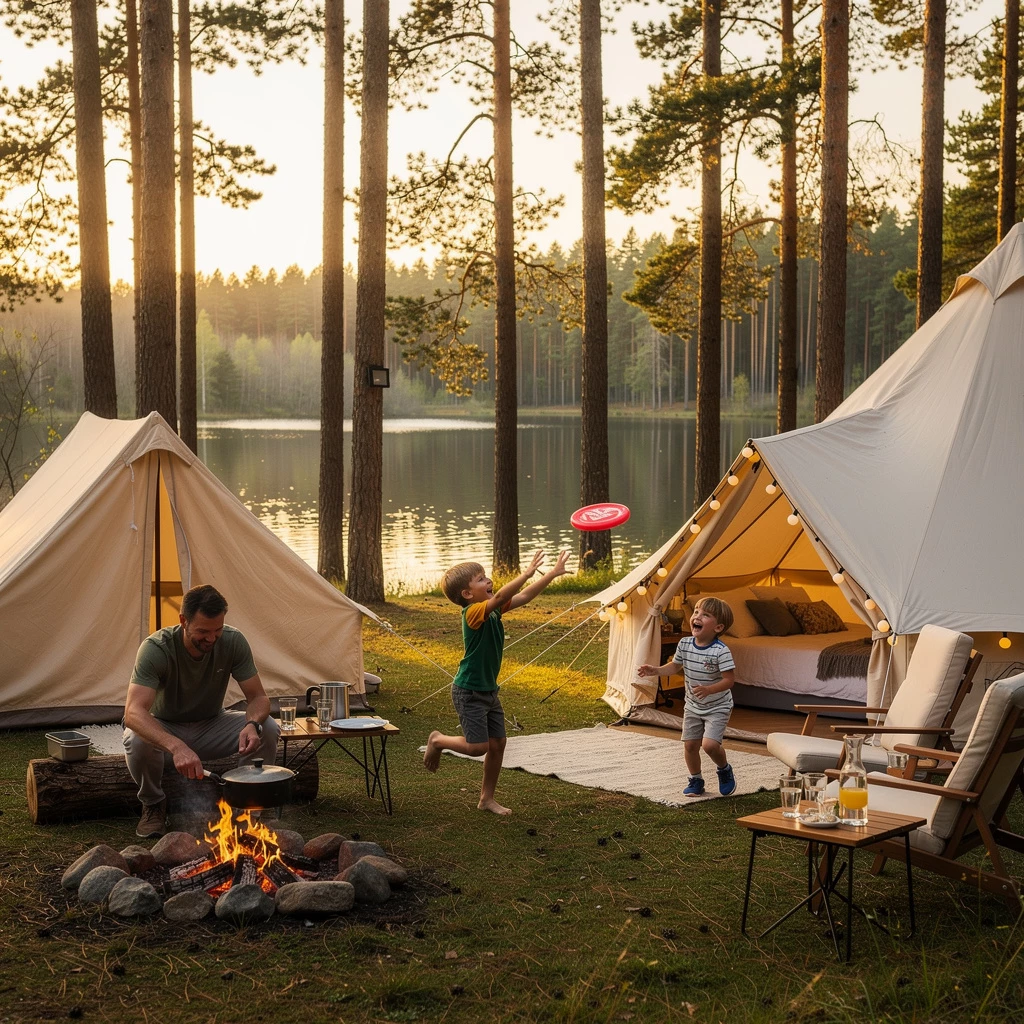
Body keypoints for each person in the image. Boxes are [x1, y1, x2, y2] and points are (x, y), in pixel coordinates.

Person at [123, 584, 280, 838]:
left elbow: (259, 697)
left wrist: (252, 724)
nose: (211, 638)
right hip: (166, 727)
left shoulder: (233, 641)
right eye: (203, 631)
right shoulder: (156, 649)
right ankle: (153, 804)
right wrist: (176, 747)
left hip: (212, 724)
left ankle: (247, 807)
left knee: (268, 727)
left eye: (217, 630)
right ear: (183, 621)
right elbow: (133, 713)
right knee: (136, 739)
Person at [423, 549, 570, 815]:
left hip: (489, 690)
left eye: (486, 577)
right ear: (467, 594)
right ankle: (438, 740)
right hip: (468, 690)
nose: (488, 581)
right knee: (478, 746)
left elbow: (522, 596)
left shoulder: (492, 611)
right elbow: (504, 594)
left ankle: (486, 799)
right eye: (481, 579)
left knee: (499, 744)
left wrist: (551, 574)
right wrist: (525, 573)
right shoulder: (473, 613)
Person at [638, 596, 737, 797]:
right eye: (696, 612)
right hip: (692, 706)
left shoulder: (721, 651)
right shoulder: (685, 644)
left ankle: (724, 769)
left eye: (705, 615)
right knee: (690, 744)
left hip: (717, 706)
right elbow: (675, 666)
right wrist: (655, 670)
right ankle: (696, 779)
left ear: (718, 628)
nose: (697, 616)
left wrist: (710, 689)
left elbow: (729, 681)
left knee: (709, 745)